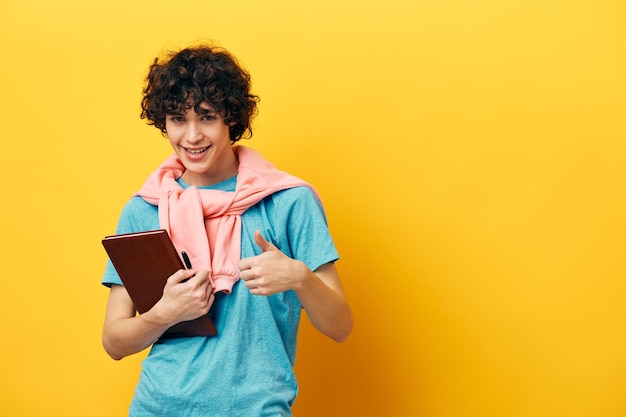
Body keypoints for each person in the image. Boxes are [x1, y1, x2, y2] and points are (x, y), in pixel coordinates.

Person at [101, 44, 353, 416]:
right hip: (160, 406)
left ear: (231, 119)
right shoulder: (145, 209)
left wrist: (300, 278)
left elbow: (340, 327)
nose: (191, 136)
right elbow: (114, 342)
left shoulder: (287, 202)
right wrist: (165, 313)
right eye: (177, 119)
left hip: (257, 408)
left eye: (206, 118)